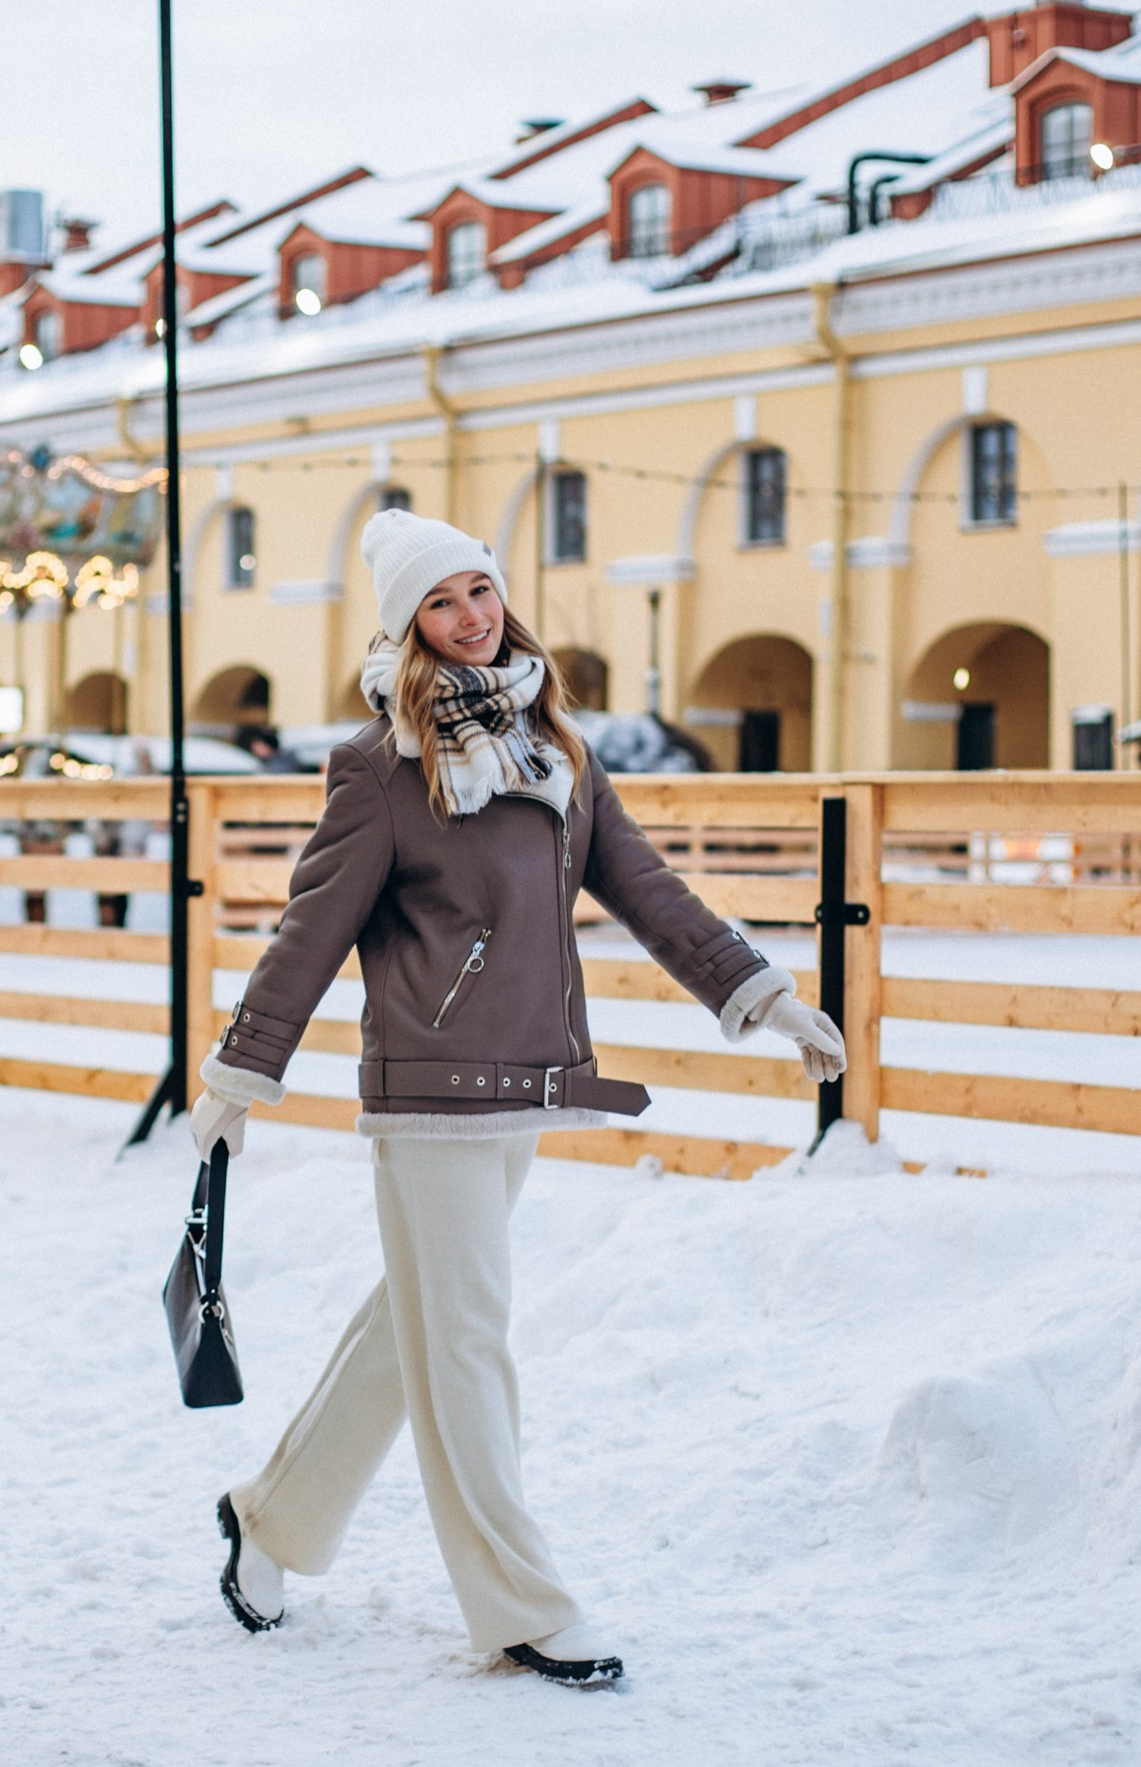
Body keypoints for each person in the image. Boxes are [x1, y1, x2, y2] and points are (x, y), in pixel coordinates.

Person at [190, 508, 844, 1690]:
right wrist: (245, 1068)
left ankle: (270, 1520)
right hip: (429, 1097)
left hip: (523, 1089)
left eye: (480, 590)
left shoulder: (559, 756)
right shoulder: (381, 771)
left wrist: (758, 994)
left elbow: (649, 891)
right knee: (472, 1344)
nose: (472, 618)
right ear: (410, 631)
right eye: (440, 605)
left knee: (416, 1333)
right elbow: (310, 930)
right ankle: (521, 1605)